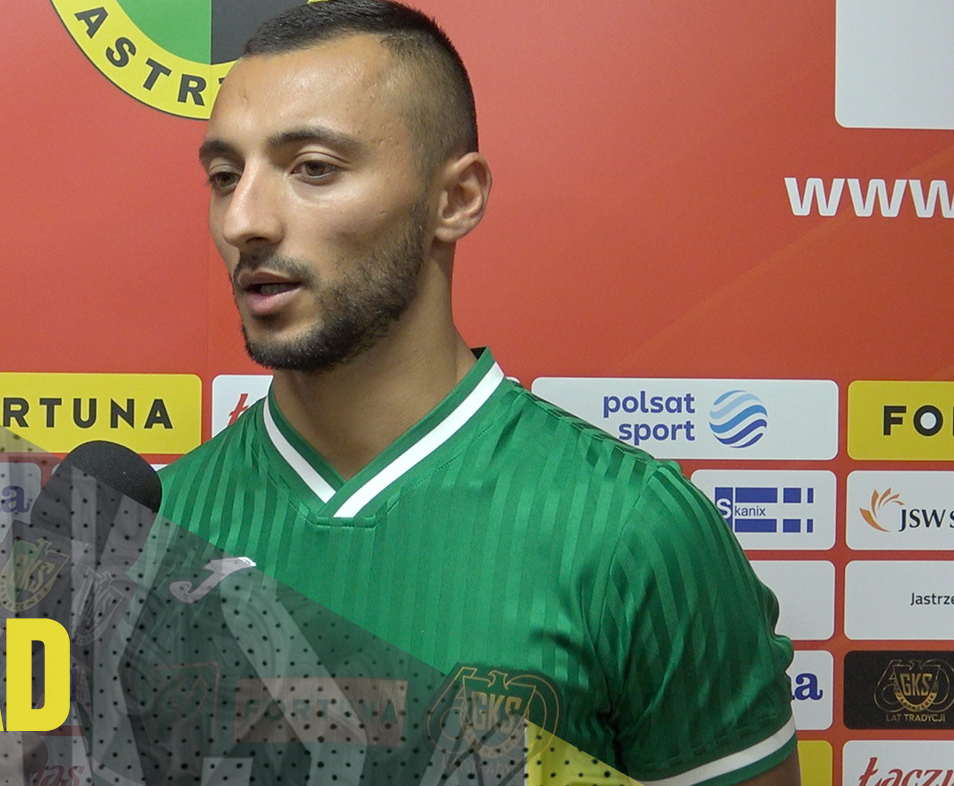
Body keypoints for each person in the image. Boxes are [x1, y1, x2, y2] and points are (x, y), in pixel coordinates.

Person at [155, 1, 800, 784]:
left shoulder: (636, 532)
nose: (244, 220)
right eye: (225, 176)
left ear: (456, 199)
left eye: (313, 167)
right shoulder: (151, 529)